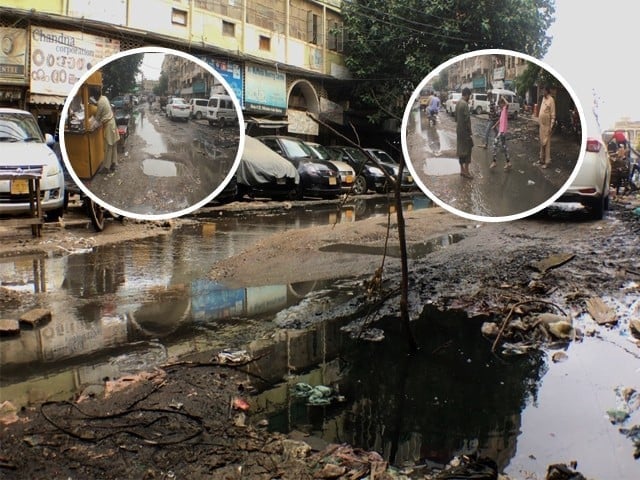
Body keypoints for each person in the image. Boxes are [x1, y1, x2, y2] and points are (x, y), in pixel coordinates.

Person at [89, 86, 120, 173]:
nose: (93, 98)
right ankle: (113, 163)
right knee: (113, 145)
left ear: (95, 96)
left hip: (109, 125)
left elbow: (97, 118)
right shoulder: (104, 98)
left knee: (108, 146)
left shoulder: (100, 103)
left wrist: (91, 126)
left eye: (93, 96)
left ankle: (106, 167)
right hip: (112, 122)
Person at [456, 87, 474, 179]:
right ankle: (466, 172)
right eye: (469, 96)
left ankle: (462, 170)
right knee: (468, 150)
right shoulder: (465, 104)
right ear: (466, 95)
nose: (469, 98)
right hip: (465, 132)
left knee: (460, 150)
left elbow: (456, 118)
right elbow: (467, 120)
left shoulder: (458, 103)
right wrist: (470, 131)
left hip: (459, 130)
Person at [537, 86, 555, 169]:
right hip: (542, 125)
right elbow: (542, 110)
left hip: (547, 125)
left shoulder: (551, 100)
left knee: (547, 144)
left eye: (543, 90)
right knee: (541, 143)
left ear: (547, 91)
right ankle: (541, 159)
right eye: (542, 90)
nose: (542, 92)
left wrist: (551, 126)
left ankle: (547, 162)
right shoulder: (543, 99)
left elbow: (553, 114)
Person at [490, 97, 511, 170]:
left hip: (502, 131)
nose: (499, 106)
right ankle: (508, 162)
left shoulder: (505, 108)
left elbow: (508, 104)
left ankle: (494, 162)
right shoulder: (502, 111)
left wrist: (503, 98)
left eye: (500, 105)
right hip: (501, 131)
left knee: (495, 144)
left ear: (502, 104)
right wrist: (494, 126)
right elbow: (500, 120)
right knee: (504, 147)